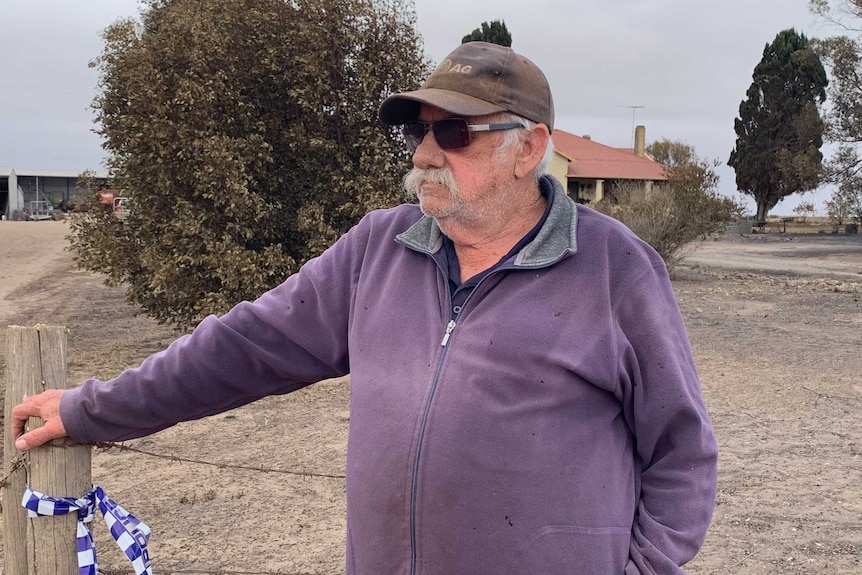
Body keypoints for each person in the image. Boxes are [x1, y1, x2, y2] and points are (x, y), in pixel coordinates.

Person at [12, 41, 718, 574]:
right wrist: (88, 408)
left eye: (453, 134)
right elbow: (241, 347)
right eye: (418, 131)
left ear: (527, 148)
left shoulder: (613, 268)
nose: (424, 153)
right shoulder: (379, 250)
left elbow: (682, 455)